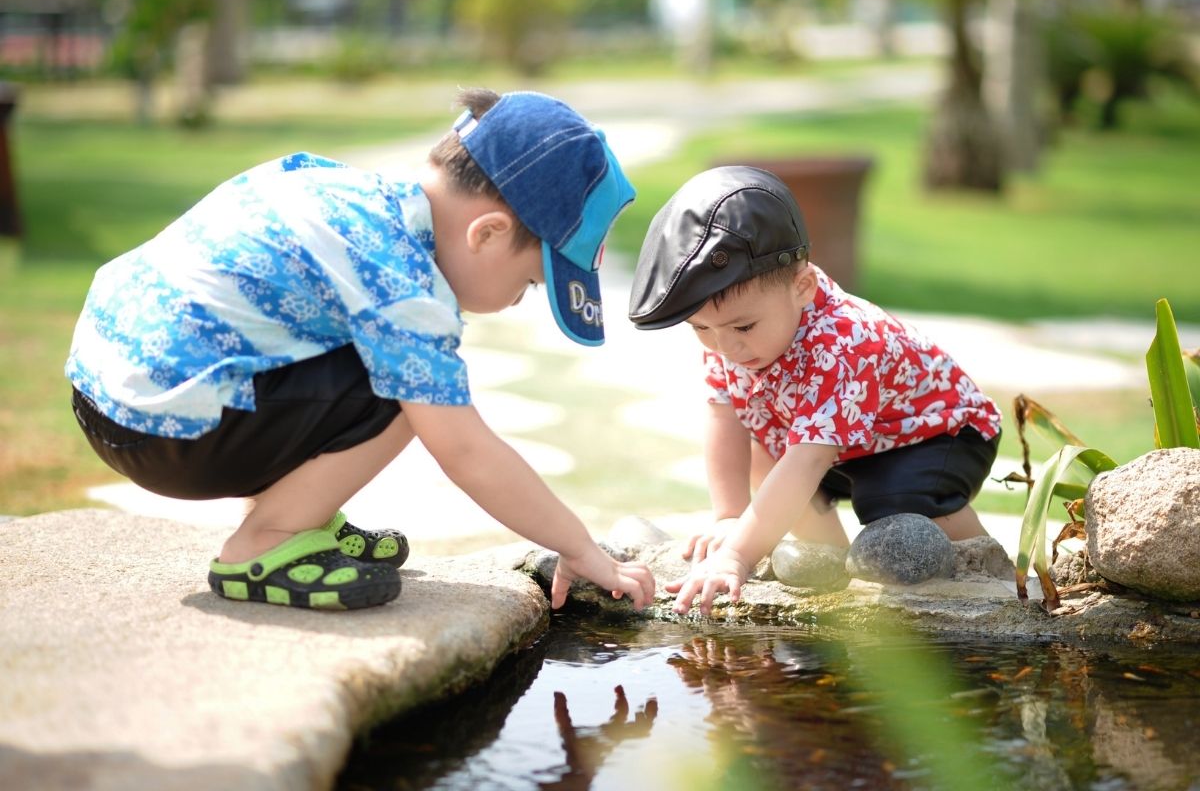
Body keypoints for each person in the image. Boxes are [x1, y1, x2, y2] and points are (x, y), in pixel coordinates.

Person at [66, 88, 655, 612]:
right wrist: (578, 547)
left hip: (110, 392)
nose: (515, 302)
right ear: (489, 233)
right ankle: (265, 544)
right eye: (529, 284)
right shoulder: (402, 282)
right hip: (166, 431)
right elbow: (465, 451)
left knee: (378, 359)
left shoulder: (347, 192)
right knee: (412, 392)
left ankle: (301, 517)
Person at [628, 165, 1001, 615]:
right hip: (844, 444)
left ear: (802, 287)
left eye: (743, 326)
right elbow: (723, 416)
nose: (725, 346)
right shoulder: (731, 336)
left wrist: (737, 555)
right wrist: (730, 516)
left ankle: (986, 570)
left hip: (936, 434)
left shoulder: (844, 341)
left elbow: (808, 460)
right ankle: (832, 570)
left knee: (890, 503)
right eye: (700, 328)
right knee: (764, 451)